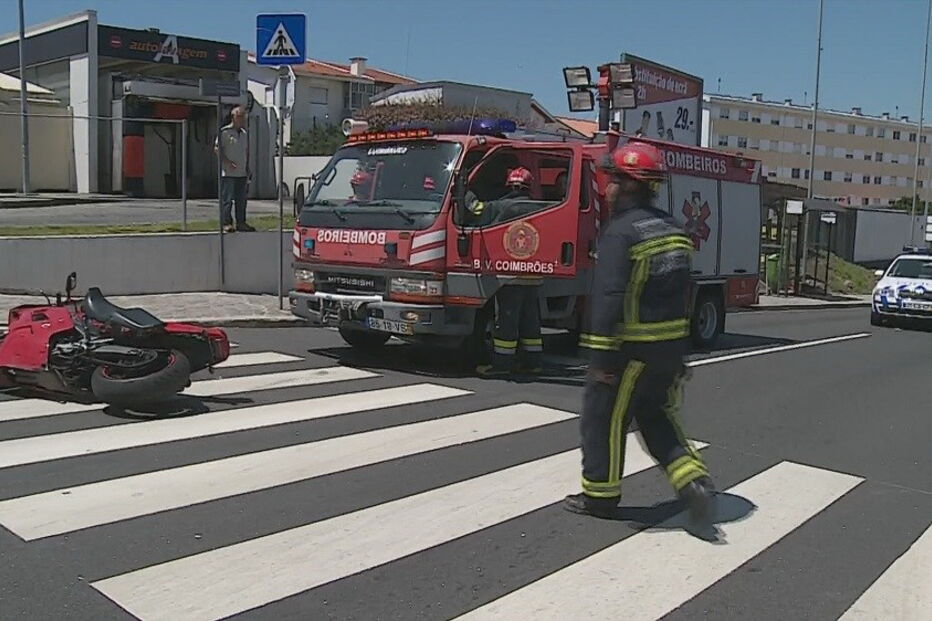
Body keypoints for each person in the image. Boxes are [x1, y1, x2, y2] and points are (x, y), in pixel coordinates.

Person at [564, 141, 715, 524]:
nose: (607, 188)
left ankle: (599, 496)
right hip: (668, 347)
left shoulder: (621, 233)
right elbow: (682, 293)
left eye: (612, 179)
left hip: (628, 350)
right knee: (655, 414)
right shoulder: (674, 230)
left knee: (602, 419)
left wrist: (599, 358)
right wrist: (679, 352)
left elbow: (609, 295)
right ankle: (692, 479)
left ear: (628, 185)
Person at [467, 167, 544, 376]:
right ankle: (533, 362)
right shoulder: (542, 207)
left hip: (509, 275)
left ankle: (502, 365)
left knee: (506, 321)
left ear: (509, 184)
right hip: (534, 275)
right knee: (531, 322)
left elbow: (475, 209)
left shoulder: (500, 206)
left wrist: (466, 189)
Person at [214, 106, 254, 233]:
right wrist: (227, 162)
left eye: (244, 117)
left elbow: (246, 152)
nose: (242, 119)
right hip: (229, 173)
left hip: (241, 172)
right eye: (240, 116)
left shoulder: (244, 134)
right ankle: (226, 223)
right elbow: (217, 149)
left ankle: (241, 222)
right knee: (227, 200)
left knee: (241, 200)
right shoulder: (224, 132)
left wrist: (247, 167)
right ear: (233, 117)